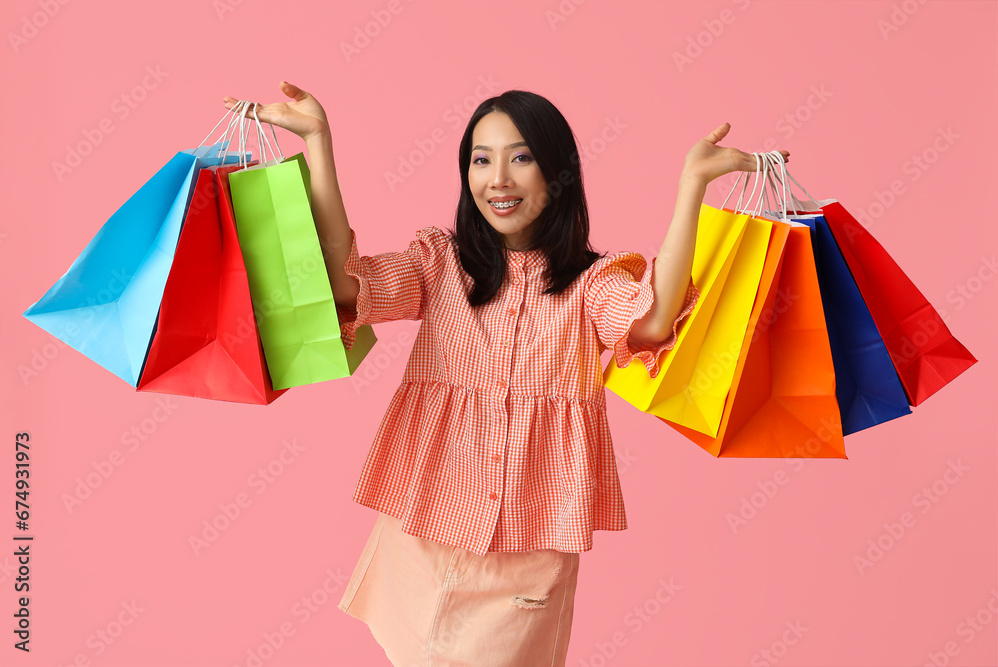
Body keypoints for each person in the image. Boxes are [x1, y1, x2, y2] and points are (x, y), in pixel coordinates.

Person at [223, 82, 789, 667]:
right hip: (423, 534)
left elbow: (652, 320)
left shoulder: (591, 286)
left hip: (526, 556)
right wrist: (319, 142)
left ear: (557, 172)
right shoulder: (440, 266)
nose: (498, 178)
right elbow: (345, 284)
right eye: (480, 158)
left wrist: (691, 186)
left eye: (520, 157)